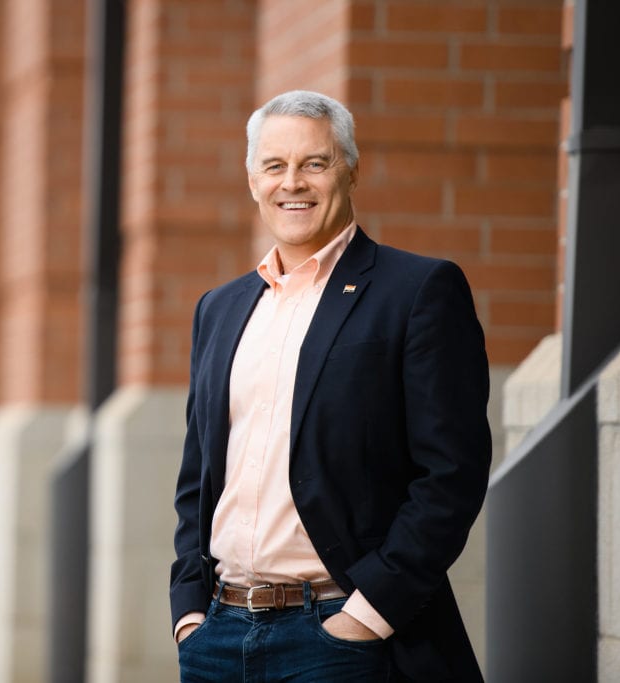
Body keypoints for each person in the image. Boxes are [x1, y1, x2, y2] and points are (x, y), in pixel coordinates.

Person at [170, 90, 491, 682]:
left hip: (340, 639)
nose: (293, 182)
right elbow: (199, 476)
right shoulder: (220, 309)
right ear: (252, 179)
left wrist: (367, 615)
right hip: (217, 637)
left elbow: (452, 473)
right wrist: (189, 612)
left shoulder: (417, 291)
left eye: (314, 163)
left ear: (350, 169)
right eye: (275, 166)